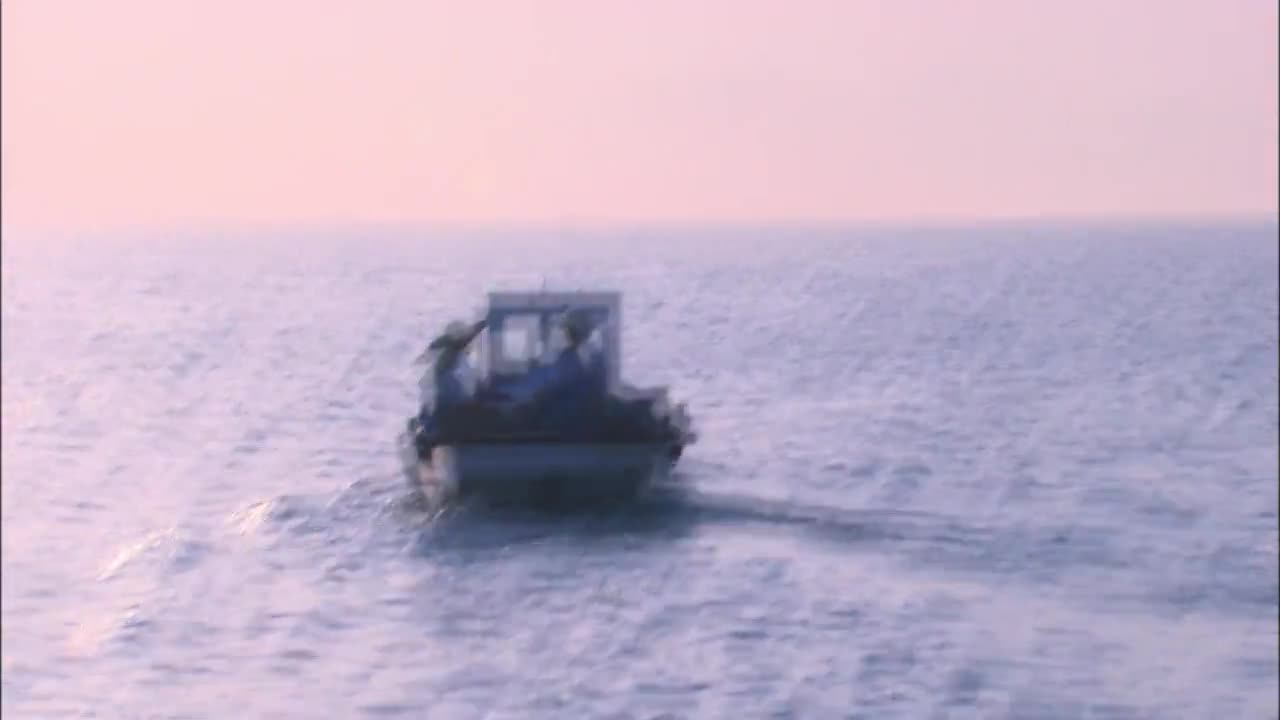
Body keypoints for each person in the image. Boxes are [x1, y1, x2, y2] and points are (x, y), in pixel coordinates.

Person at [415, 319, 486, 423]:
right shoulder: (454, 356)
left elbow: (472, 332)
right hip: (450, 413)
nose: (471, 346)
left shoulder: (447, 353)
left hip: (442, 408)